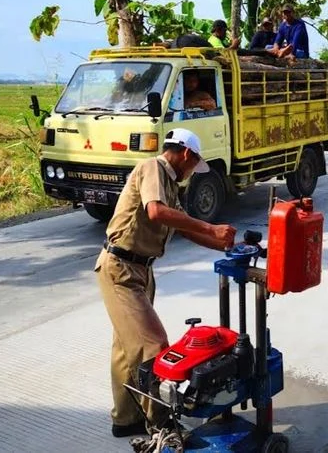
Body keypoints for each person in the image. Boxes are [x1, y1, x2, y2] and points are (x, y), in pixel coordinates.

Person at [95, 128, 236, 438]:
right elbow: (156, 213)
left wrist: (227, 247)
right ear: (187, 154)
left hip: (140, 271)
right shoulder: (152, 168)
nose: (191, 173)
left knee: (125, 349)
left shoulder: (169, 184)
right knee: (154, 346)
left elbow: (184, 229)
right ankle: (162, 424)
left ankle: (125, 419)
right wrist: (211, 228)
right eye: (193, 165)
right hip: (121, 270)